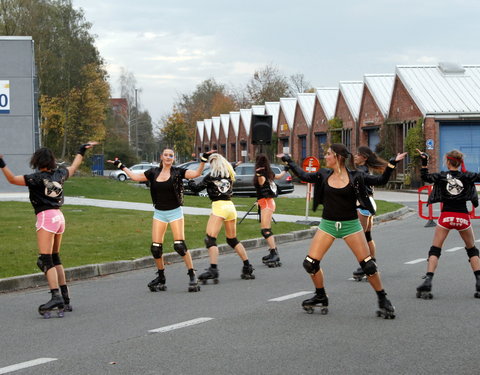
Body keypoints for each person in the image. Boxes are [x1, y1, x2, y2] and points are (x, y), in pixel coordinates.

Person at [278, 144, 406, 318]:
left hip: (350, 225)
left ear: (338, 157)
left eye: (329, 154)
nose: (326, 157)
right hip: (328, 225)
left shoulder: (357, 176)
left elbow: (381, 181)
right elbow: (303, 175)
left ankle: (383, 299)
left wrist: (391, 164)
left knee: (368, 265)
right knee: (310, 263)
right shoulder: (323, 174)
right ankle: (321, 295)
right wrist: (288, 160)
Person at [0, 142, 98, 318]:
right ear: (52, 161)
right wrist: (81, 149)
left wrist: (1, 163)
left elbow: (12, 179)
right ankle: (65, 298)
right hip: (59, 217)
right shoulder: (60, 174)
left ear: (37, 161)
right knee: (55, 257)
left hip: (46, 218)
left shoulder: (35, 179)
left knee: (45, 260)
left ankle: (55, 297)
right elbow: (74, 166)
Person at [109, 148, 211, 292]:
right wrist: (120, 166)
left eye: (171, 155)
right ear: (161, 157)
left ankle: (192, 274)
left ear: (173, 158)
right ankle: (161, 276)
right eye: (166, 155)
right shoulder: (153, 172)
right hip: (159, 213)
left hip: (175, 212)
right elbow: (135, 177)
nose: (168, 157)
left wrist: (203, 160)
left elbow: (196, 174)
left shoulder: (178, 172)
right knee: (156, 248)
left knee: (179, 246)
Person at [416, 149, 480, 299]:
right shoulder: (467, 176)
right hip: (463, 217)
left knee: (435, 249)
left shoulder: (442, 176)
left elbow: (425, 177)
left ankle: (428, 281)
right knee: (472, 249)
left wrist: (425, 161)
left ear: (447, 161)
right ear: (459, 162)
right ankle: (479, 282)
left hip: (446, 217)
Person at [188, 153, 255, 283]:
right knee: (232, 240)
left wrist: (189, 180)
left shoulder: (211, 176)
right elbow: (232, 165)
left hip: (219, 207)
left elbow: (196, 188)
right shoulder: (229, 174)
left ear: (213, 164)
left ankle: (213, 269)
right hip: (230, 207)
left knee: (210, 239)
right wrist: (235, 163)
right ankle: (247, 266)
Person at [352, 146, 388, 281]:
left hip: (363, 204)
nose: (355, 156)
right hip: (369, 203)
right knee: (367, 236)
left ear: (364, 158)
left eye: (358, 154)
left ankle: (366, 265)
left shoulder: (361, 171)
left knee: (361, 238)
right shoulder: (366, 170)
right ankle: (371, 263)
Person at [253, 153, 287, 267]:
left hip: (267, 203)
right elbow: (279, 176)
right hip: (266, 203)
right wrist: (286, 169)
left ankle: (274, 252)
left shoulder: (262, 174)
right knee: (266, 229)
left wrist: (258, 173)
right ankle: (273, 251)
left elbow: (262, 183)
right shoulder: (269, 173)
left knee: (265, 230)